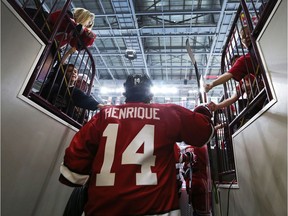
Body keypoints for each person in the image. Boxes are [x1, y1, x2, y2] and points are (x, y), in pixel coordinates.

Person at [59, 74, 215, 216]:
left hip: (102, 209)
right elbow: (204, 133)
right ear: (151, 95)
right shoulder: (168, 113)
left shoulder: (103, 116)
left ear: (125, 95)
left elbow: (72, 171)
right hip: (157, 210)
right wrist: (203, 111)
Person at [204, 26, 255, 93]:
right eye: (244, 36)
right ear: (243, 44)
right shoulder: (244, 60)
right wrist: (212, 84)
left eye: (249, 32)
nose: (248, 36)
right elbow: (228, 74)